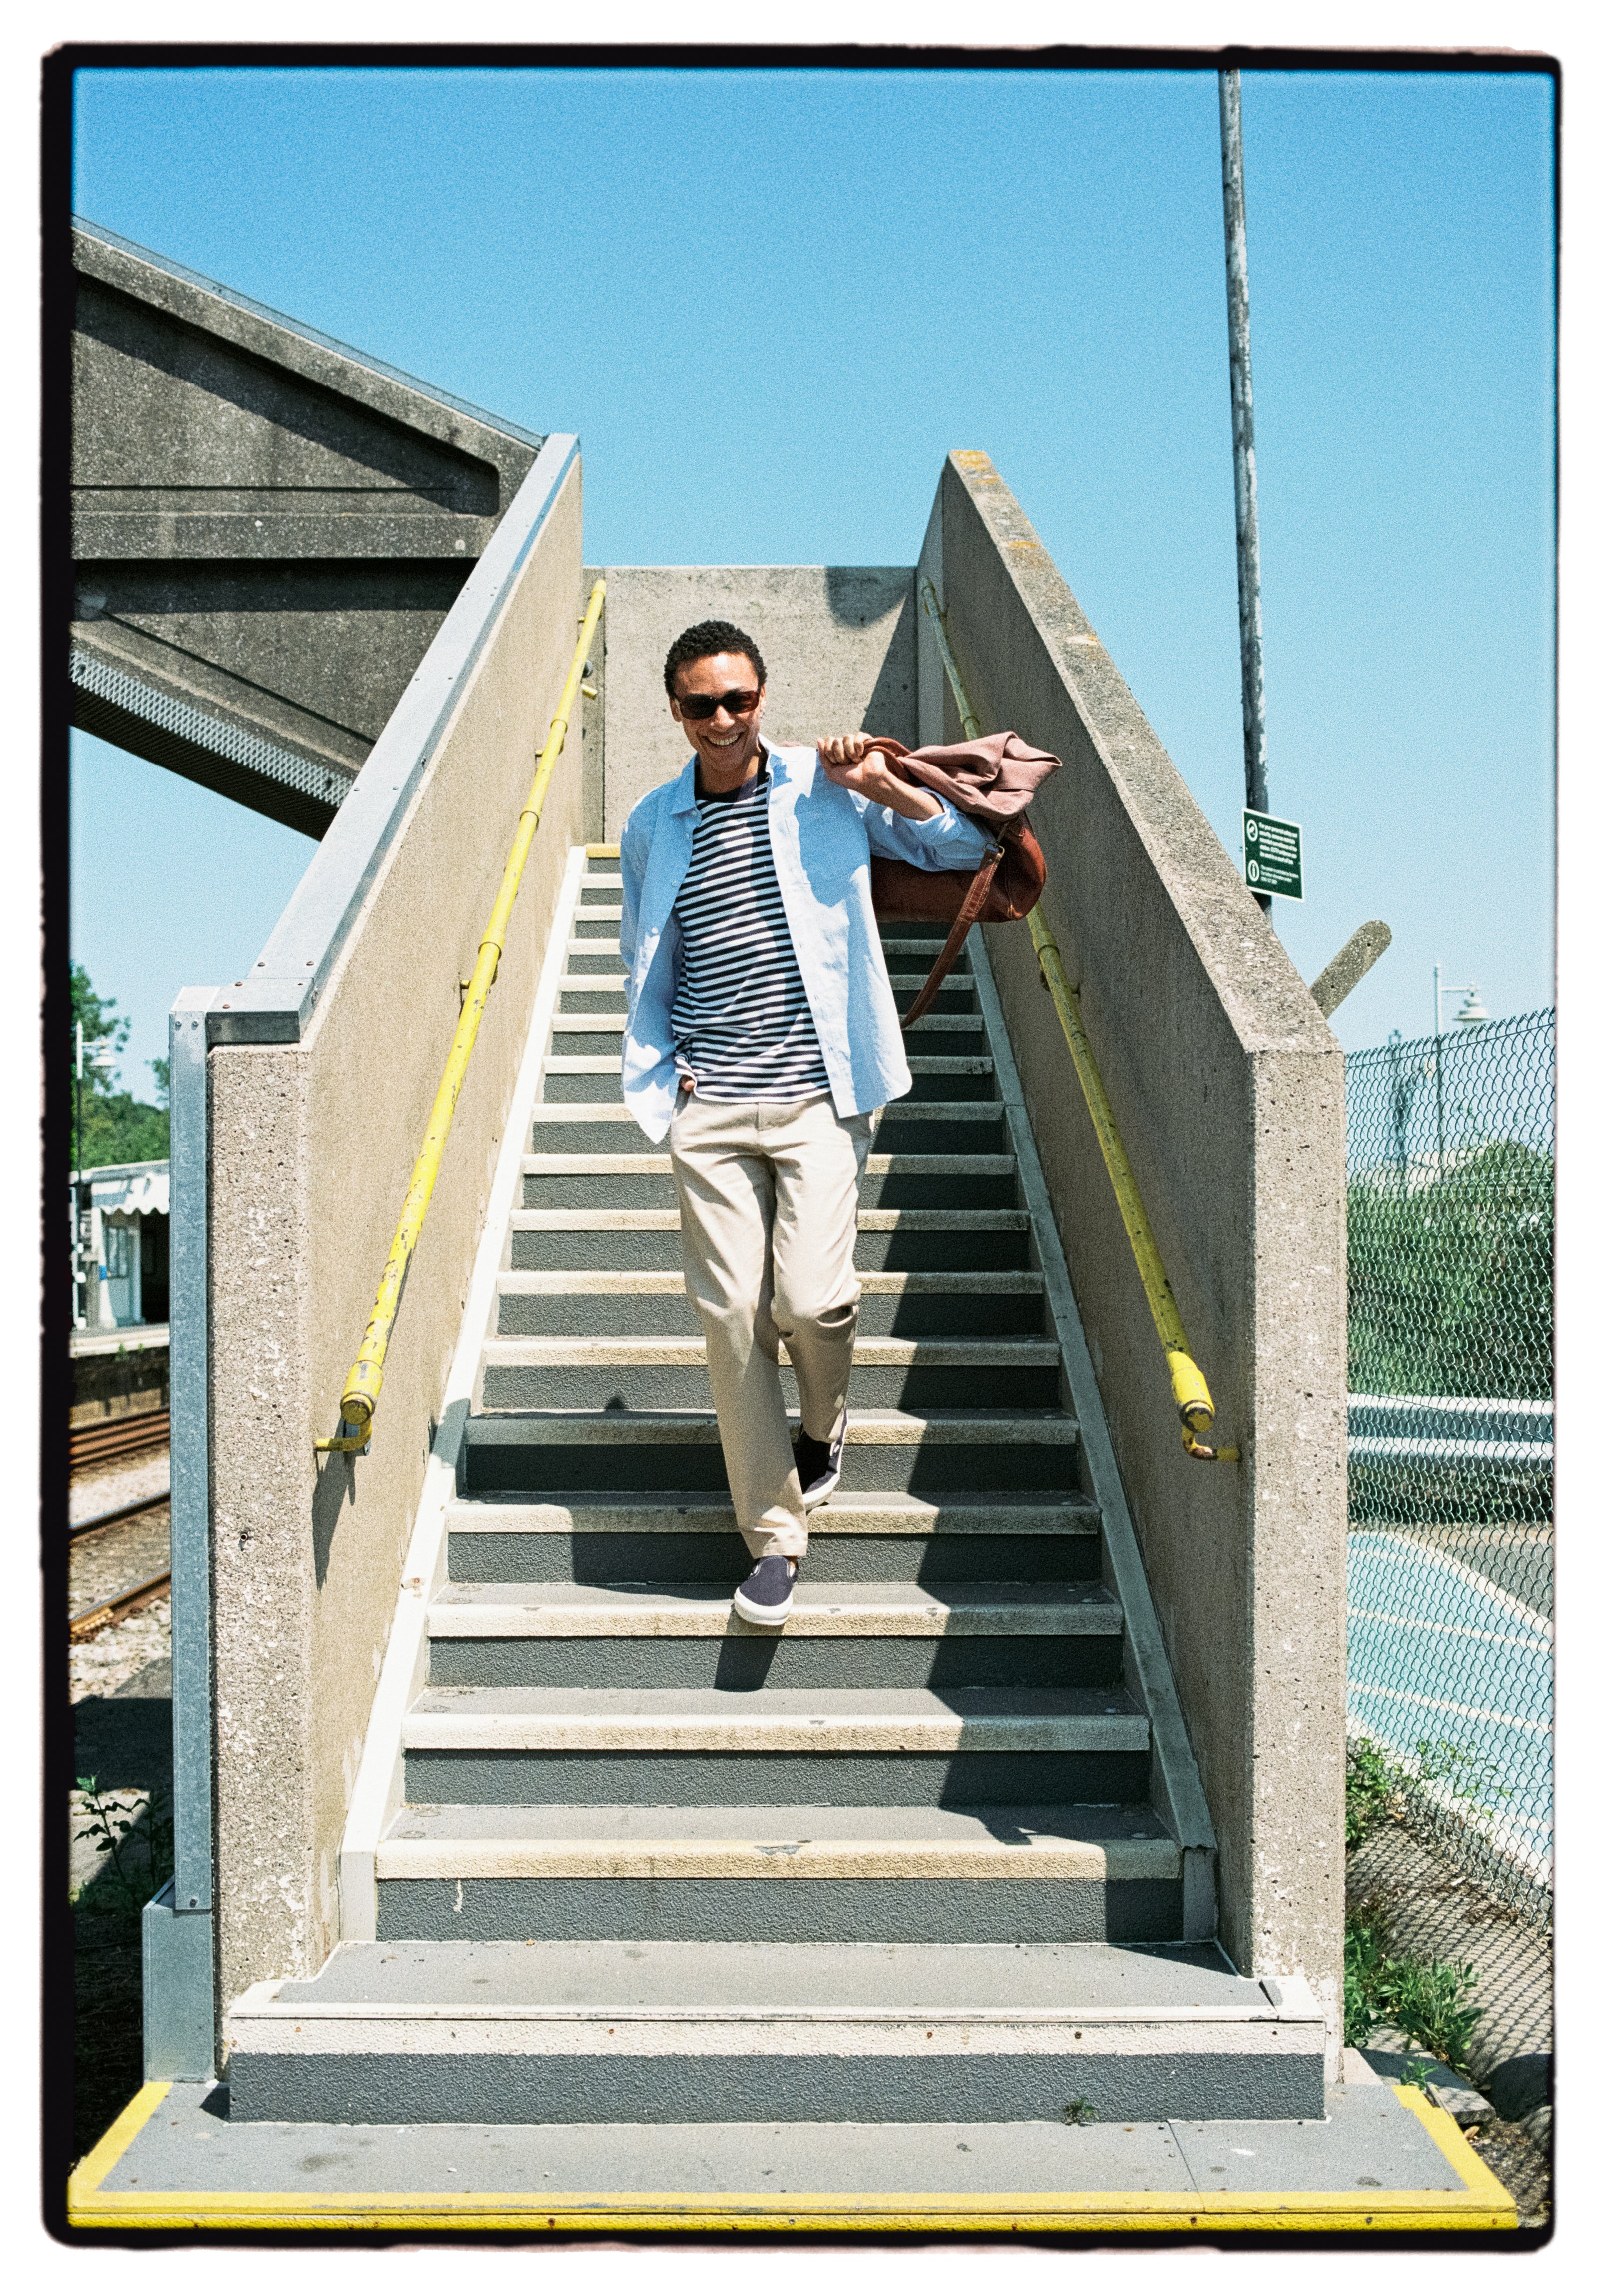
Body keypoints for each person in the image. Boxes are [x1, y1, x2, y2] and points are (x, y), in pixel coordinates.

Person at [617, 619, 995, 1625]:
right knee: (730, 1318)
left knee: (814, 1299)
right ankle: (774, 1538)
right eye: (702, 704)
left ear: (763, 697)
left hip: (819, 1096)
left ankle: (822, 1428)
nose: (724, 720)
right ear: (676, 712)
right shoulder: (653, 824)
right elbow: (644, 953)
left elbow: (964, 849)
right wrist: (670, 1068)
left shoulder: (824, 787)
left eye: (738, 699)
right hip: (709, 1104)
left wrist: (882, 787)